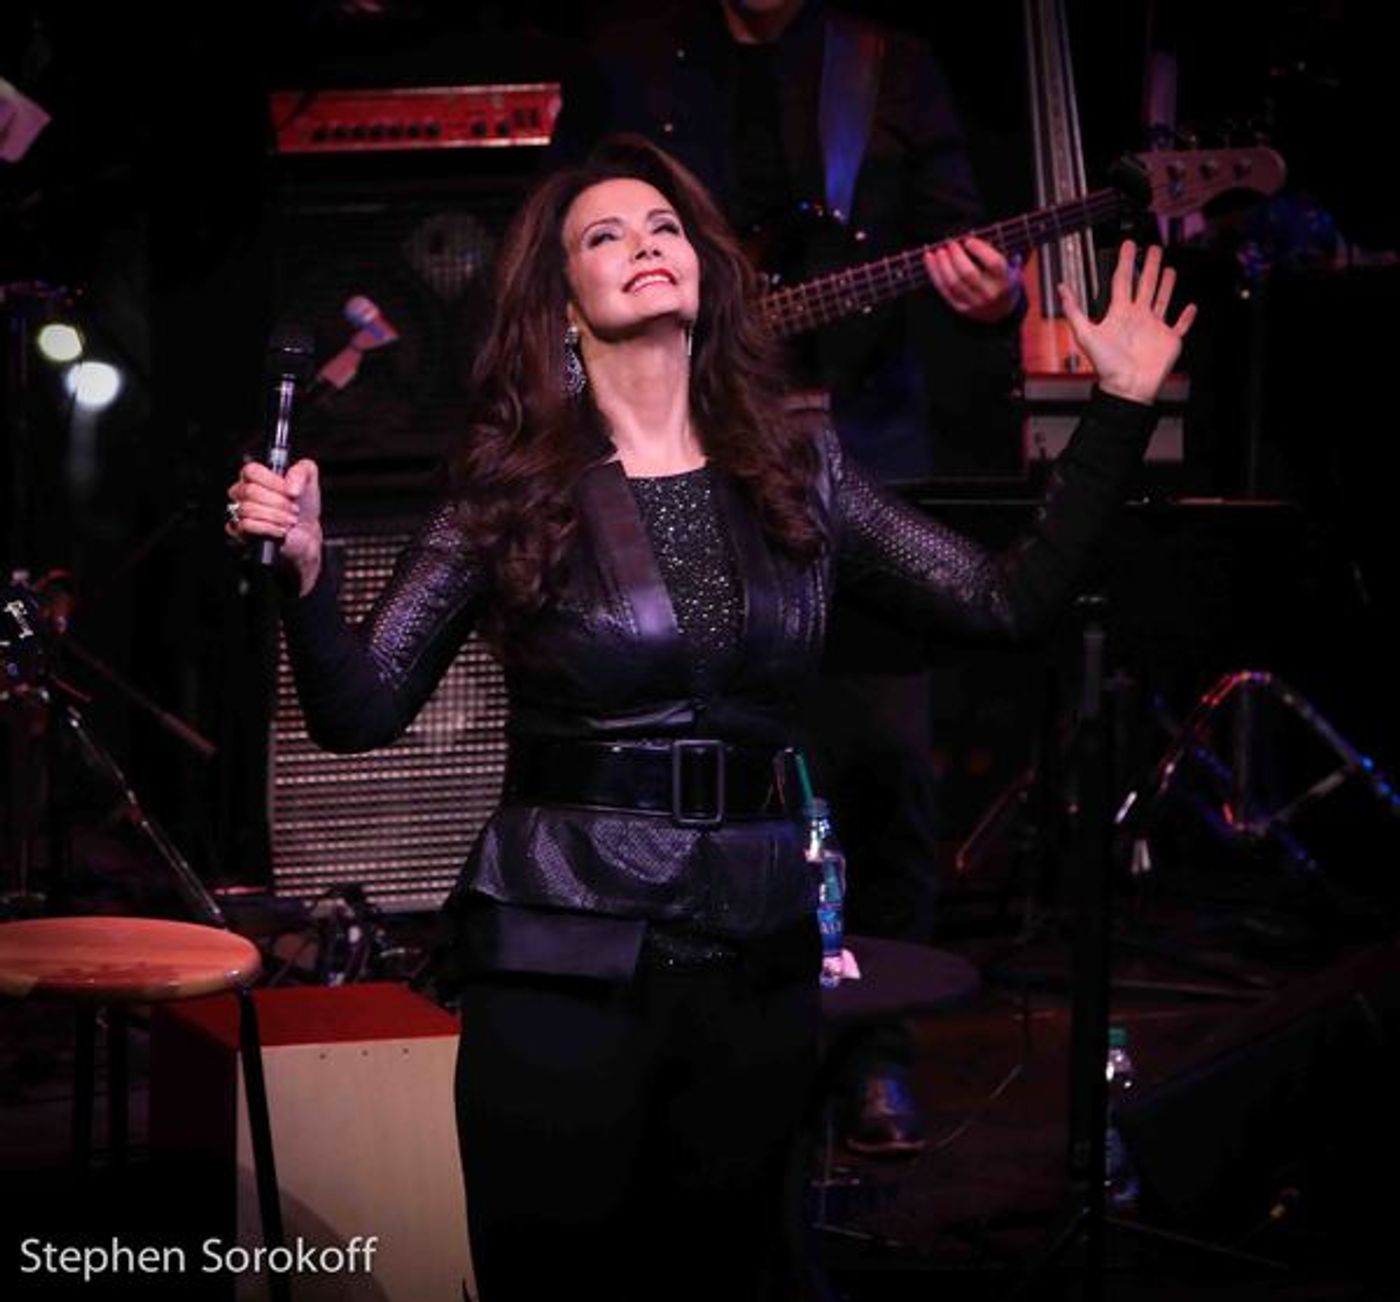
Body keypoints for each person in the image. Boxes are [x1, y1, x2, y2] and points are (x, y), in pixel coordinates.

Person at [225, 134, 1192, 1301]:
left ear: (704, 270)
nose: (644, 246)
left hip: (752, 955)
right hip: (561, 961)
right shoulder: (510, 482)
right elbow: (360, 710)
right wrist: (310, 578)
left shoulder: (801, 469)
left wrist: (1120, 405)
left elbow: (1005, 599)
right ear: (560, 301)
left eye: (664, 228)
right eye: (605, 236)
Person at [548, 0, 1024, 1155]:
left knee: (883, 771)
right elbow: (557, 235)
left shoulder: (885, 60)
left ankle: (873, 1058)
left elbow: (962, 241)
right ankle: (677, 1042)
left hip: (846, 454)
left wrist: (993, 297)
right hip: (671, 457)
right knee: (692, 763)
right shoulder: (626, 52)